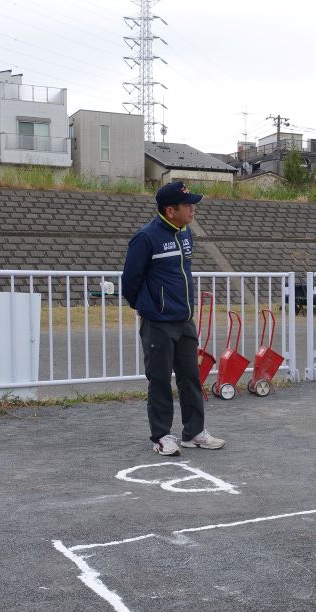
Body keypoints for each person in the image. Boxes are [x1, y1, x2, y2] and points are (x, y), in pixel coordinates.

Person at [122, 182, 225, 456]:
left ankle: (194, 433)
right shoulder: (146, 238)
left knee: (191, 378)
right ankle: (162, 436)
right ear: (170, 210)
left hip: (185, 321)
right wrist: (148, 307)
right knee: (159, 380)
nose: (193, 209)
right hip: (158, 323)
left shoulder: (186, 234)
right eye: (187, 205)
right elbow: (130, 282)